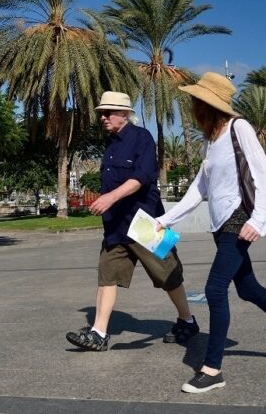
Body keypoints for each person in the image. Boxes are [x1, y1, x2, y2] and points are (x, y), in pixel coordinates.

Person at [154, 72, 266, 393]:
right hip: (221, 225)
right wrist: (165, 219)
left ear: (208, 104)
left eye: (196, 101)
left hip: (239, 220)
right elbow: (198, 189)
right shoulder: (210, 141)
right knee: (248, 288)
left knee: (216, 289)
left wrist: (258, 219)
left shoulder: (239, 128)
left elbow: (265, 176)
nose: (192, 107)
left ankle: (213, 370)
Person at [66, 91, 198, 352]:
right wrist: (109, 204)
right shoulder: (111, 145)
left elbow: (142, 177)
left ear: (124, 114)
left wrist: (109, 198)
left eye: (108, 113)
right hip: (115, 226)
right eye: (101, 113)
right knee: (107, 276)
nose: (103, 117)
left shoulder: (142, 138)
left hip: (146, 224)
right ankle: (99, 333)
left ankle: (187, 320)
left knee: (169, 275)